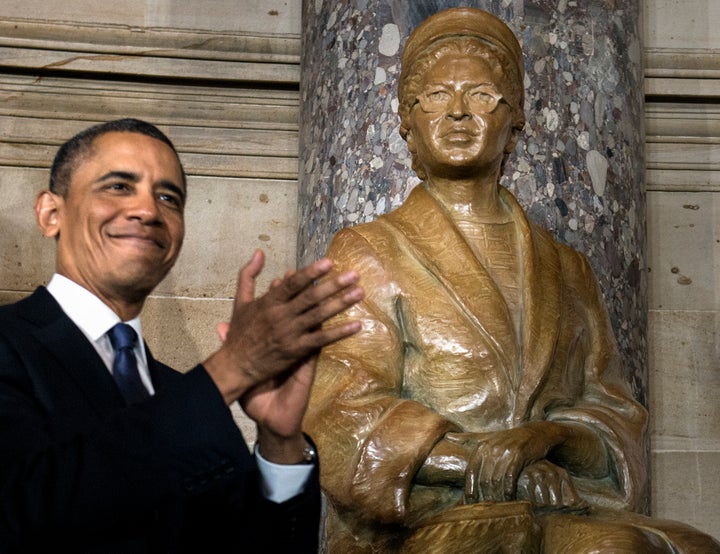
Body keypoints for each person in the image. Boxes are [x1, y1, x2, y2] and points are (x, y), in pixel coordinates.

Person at [303, 7, 720, 553]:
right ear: (407, 119)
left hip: (555, 504)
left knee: (689, 546)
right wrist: (486, 463)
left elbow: (616, 421)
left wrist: (546, 438)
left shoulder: (567, 268)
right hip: (431, 518)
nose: (457, 113)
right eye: (434, 96)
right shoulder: (368, 251)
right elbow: (344, 420)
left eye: (481, 95)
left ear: (516, 119)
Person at [0, 117, 364, 553]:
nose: (149, 211)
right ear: (50, 213)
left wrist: (279, 443)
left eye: (168, 197)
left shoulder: (183, 395)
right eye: (118, 186)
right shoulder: (11, 344)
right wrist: (232, 368)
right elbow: (20, 514)